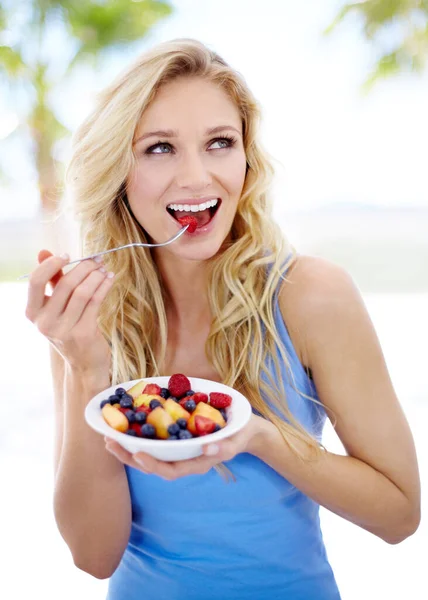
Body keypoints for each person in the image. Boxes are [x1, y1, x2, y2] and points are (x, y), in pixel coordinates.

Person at [25, 39, 420, 600]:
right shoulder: (89, 314)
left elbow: (400, 514)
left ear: (247, 158)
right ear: (117, 169)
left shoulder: (311, 295)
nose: (197, 178)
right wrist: (87, 371)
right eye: (159, 148)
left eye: (219, 143)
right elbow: (93, 556)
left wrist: (260, 438)